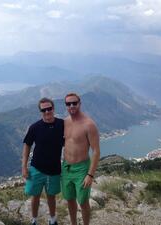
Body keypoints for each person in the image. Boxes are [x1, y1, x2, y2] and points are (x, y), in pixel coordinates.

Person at [22, 97, 64, 225]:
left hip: (54, 169)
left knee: (51, 196)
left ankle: (52, 220)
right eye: (43, 110)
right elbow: (27, 145)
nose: (47, 112)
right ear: (40, 111)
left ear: (53, 109)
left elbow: (72, 139)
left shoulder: (62, 124)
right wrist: (24, 166)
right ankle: (34, 220)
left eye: (49, 109)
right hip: (37, 168)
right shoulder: (35, 127)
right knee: (35, 195)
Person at [62, 93, 101, 225]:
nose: (71, 106)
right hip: (66, 167)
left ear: (80, 103)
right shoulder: (65, 122)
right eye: (68, 104)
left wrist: (90, 174)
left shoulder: (89, 124)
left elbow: (96, 151)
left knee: (83, 201)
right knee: (70, 199)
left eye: (74, 103)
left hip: (82, 168)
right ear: (66, 106)